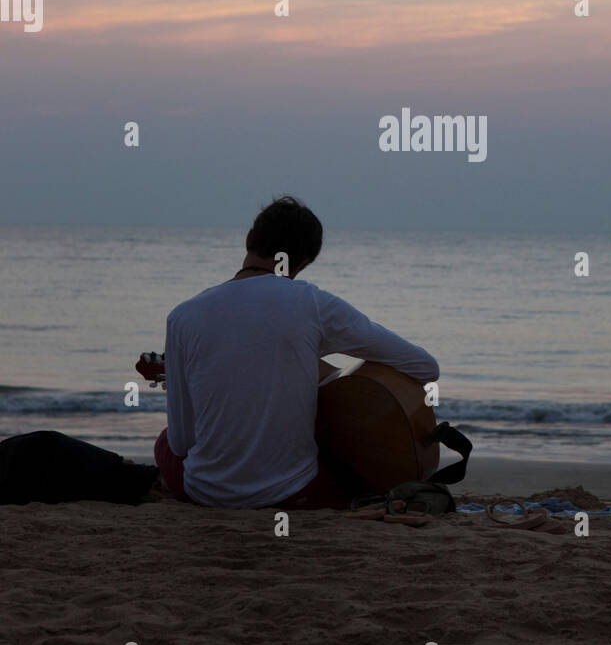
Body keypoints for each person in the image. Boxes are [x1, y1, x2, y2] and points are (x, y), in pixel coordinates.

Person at [152, 196, 439, 510]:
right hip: (294, 494)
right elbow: (423, 366)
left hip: (206, 494)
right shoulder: (312, 304)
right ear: (304, 262)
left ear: (248, 239)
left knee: (165, 441)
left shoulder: (182, 316)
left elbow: (182, 443)